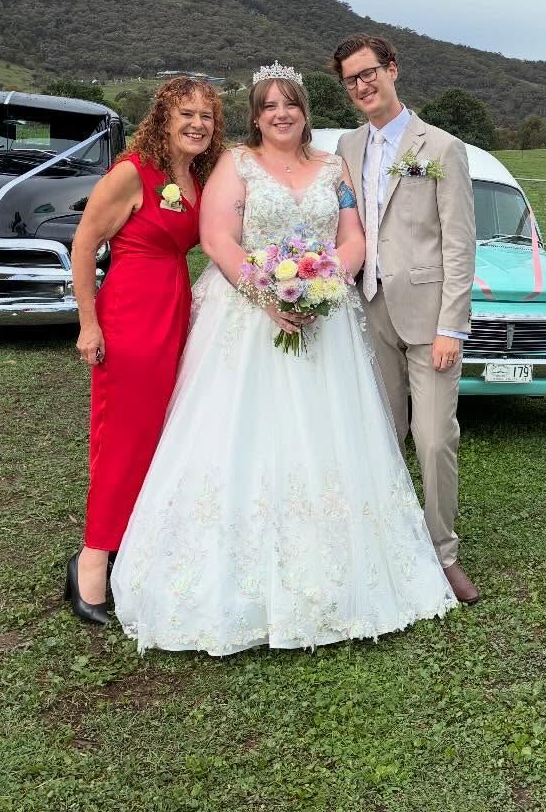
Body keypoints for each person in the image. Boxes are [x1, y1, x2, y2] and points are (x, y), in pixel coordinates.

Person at [110, 63, 457, 654]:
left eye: (289, 104)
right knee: (238, 435)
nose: (280, 114)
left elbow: (353, 237)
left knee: (331, 437)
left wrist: (325, 284)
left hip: (326, 321)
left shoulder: (334, 168)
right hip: (247, 319)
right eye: (268, 105)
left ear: (304, 110)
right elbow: (219, 238)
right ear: (255, 115)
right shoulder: (234, 164)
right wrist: (268, 294)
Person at [65, 77, 223, 625]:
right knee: (123, 439)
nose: (198, 123)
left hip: (174, 309)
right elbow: (84, 243)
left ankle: (131, 546)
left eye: (206, 114)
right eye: (186, 113)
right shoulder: (134, 170)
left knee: (158, 435)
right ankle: (90, 562)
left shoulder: (196, 174)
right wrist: (89, 323)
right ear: (163, 117)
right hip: (130, 313)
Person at [333, 33, 480, 603]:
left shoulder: (440, 148)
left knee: (435, 438)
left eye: (370, 73)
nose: (363, 85)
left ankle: (443, 555)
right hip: (368, 310)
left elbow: (459, 245)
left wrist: (452, 328)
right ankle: (388, 544)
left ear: (392, 70)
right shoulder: (347, 147)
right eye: (351, 80)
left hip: (429, 319)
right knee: (383, 433)